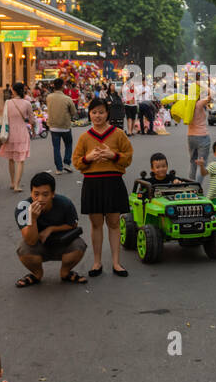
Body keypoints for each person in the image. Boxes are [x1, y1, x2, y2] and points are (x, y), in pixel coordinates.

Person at [72, 97, 134, 277]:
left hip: (113, 183)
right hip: (92, 184)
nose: (97, 116)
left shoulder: (118, 134)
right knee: (96, 224)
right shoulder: (85, 137)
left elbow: (128, 157)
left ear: (107, 114)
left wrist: (112, 155)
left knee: (114, 223)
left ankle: (116, 263)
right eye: (94, 112)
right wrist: (88, 158)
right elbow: (77, 162)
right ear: (89, 114)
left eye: (101, 112)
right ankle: (97, 262)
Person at [14, 171, 89, 287]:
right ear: (31, 193)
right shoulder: (23, 207)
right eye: (36, 194)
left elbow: (73, 225)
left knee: (79, 245)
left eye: (45, 194)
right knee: (23, 249)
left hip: (61, 242)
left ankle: (65, 272)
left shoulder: (65, 203)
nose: (40, 199)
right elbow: (30, 241)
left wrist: (51, 229)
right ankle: (37, 274)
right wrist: (32, 219)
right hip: (38, 245)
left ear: (53, 194)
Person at [0, 81, 33, 192]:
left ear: (13, 90)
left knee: (11, 159)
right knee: (21, 160)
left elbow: (4, 118)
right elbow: (32, 120)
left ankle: (13, 182)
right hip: (22, 133)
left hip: (10, 133)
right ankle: (17, 185)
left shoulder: (8, 103)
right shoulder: (27, 103)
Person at [45, 78, 75, 175]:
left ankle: (59, 168)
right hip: (65, 126)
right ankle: (67, 163)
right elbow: (73, 112)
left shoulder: (49, 97)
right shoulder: (67, 99)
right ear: (62, 86)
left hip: (53, 126)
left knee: (56, 148)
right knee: (68, 144)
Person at [186, 83, 213, 182]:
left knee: (193, 162)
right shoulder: (199, 104)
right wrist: (202, 85)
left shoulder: (187, 104)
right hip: (202, 136)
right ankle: (197, 189)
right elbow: (213, 94)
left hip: (190, 136)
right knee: (202, 163)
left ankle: (191, 186)